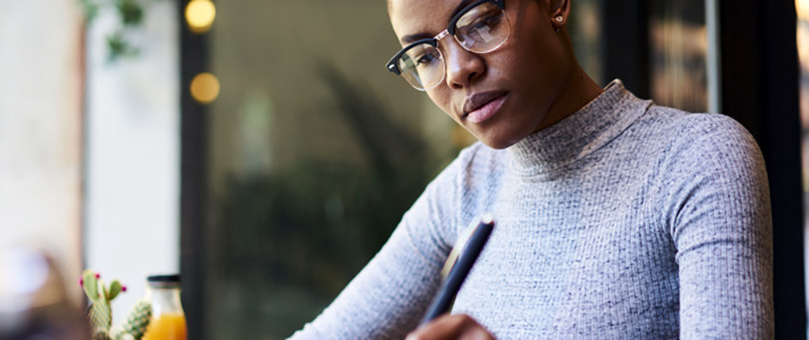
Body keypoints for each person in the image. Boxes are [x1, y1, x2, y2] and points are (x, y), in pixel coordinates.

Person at [288, 0, 773, 338]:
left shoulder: (696, 159)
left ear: (554, 2)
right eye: (424, 56)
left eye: (478, 21)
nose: (457, 70)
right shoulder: (465, 189)